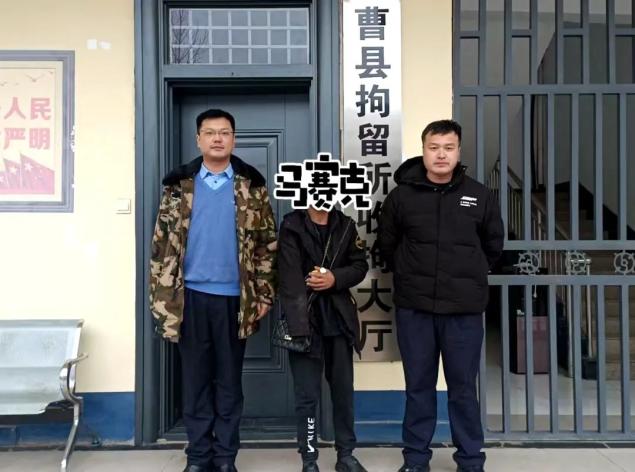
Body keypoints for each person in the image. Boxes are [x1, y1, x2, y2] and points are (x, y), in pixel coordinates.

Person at [149, 108, 277, 472]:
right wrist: (160, 297)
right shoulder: (178, 187)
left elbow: (267, 245)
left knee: (228, 383)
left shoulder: (252, 186)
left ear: (233, 139)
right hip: (187, 298)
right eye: (210, 132)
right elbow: (160, 246)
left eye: (224, 132)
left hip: (235, 299)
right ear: (198, 139)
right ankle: (198, 457)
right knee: (195, 382)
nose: (217, 138)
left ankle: (224, 458)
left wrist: (264, 293)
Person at [378, 120, 504, 472]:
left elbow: (494, 245)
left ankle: (470, 460)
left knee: (463, 388)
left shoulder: (479, 195)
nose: (441, 155)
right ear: (423, 150)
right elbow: (387, 245)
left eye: (448, 148)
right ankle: (416, 459)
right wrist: (408, 273)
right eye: (434, 147)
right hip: (415, 309)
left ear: (458, 151)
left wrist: (469, 274)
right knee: (418, 387)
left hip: (463, 310)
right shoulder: (401, 197)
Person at [278, 205, 369, 472]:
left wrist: (334, 278)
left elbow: (360, 265)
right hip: (305, 321)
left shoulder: (346, 224)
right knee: (307, 395)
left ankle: (346, 454)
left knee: (343, 391)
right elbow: (289, 278)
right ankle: (309, 458)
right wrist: (299, 326)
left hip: (339, 321)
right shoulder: (292, 225)